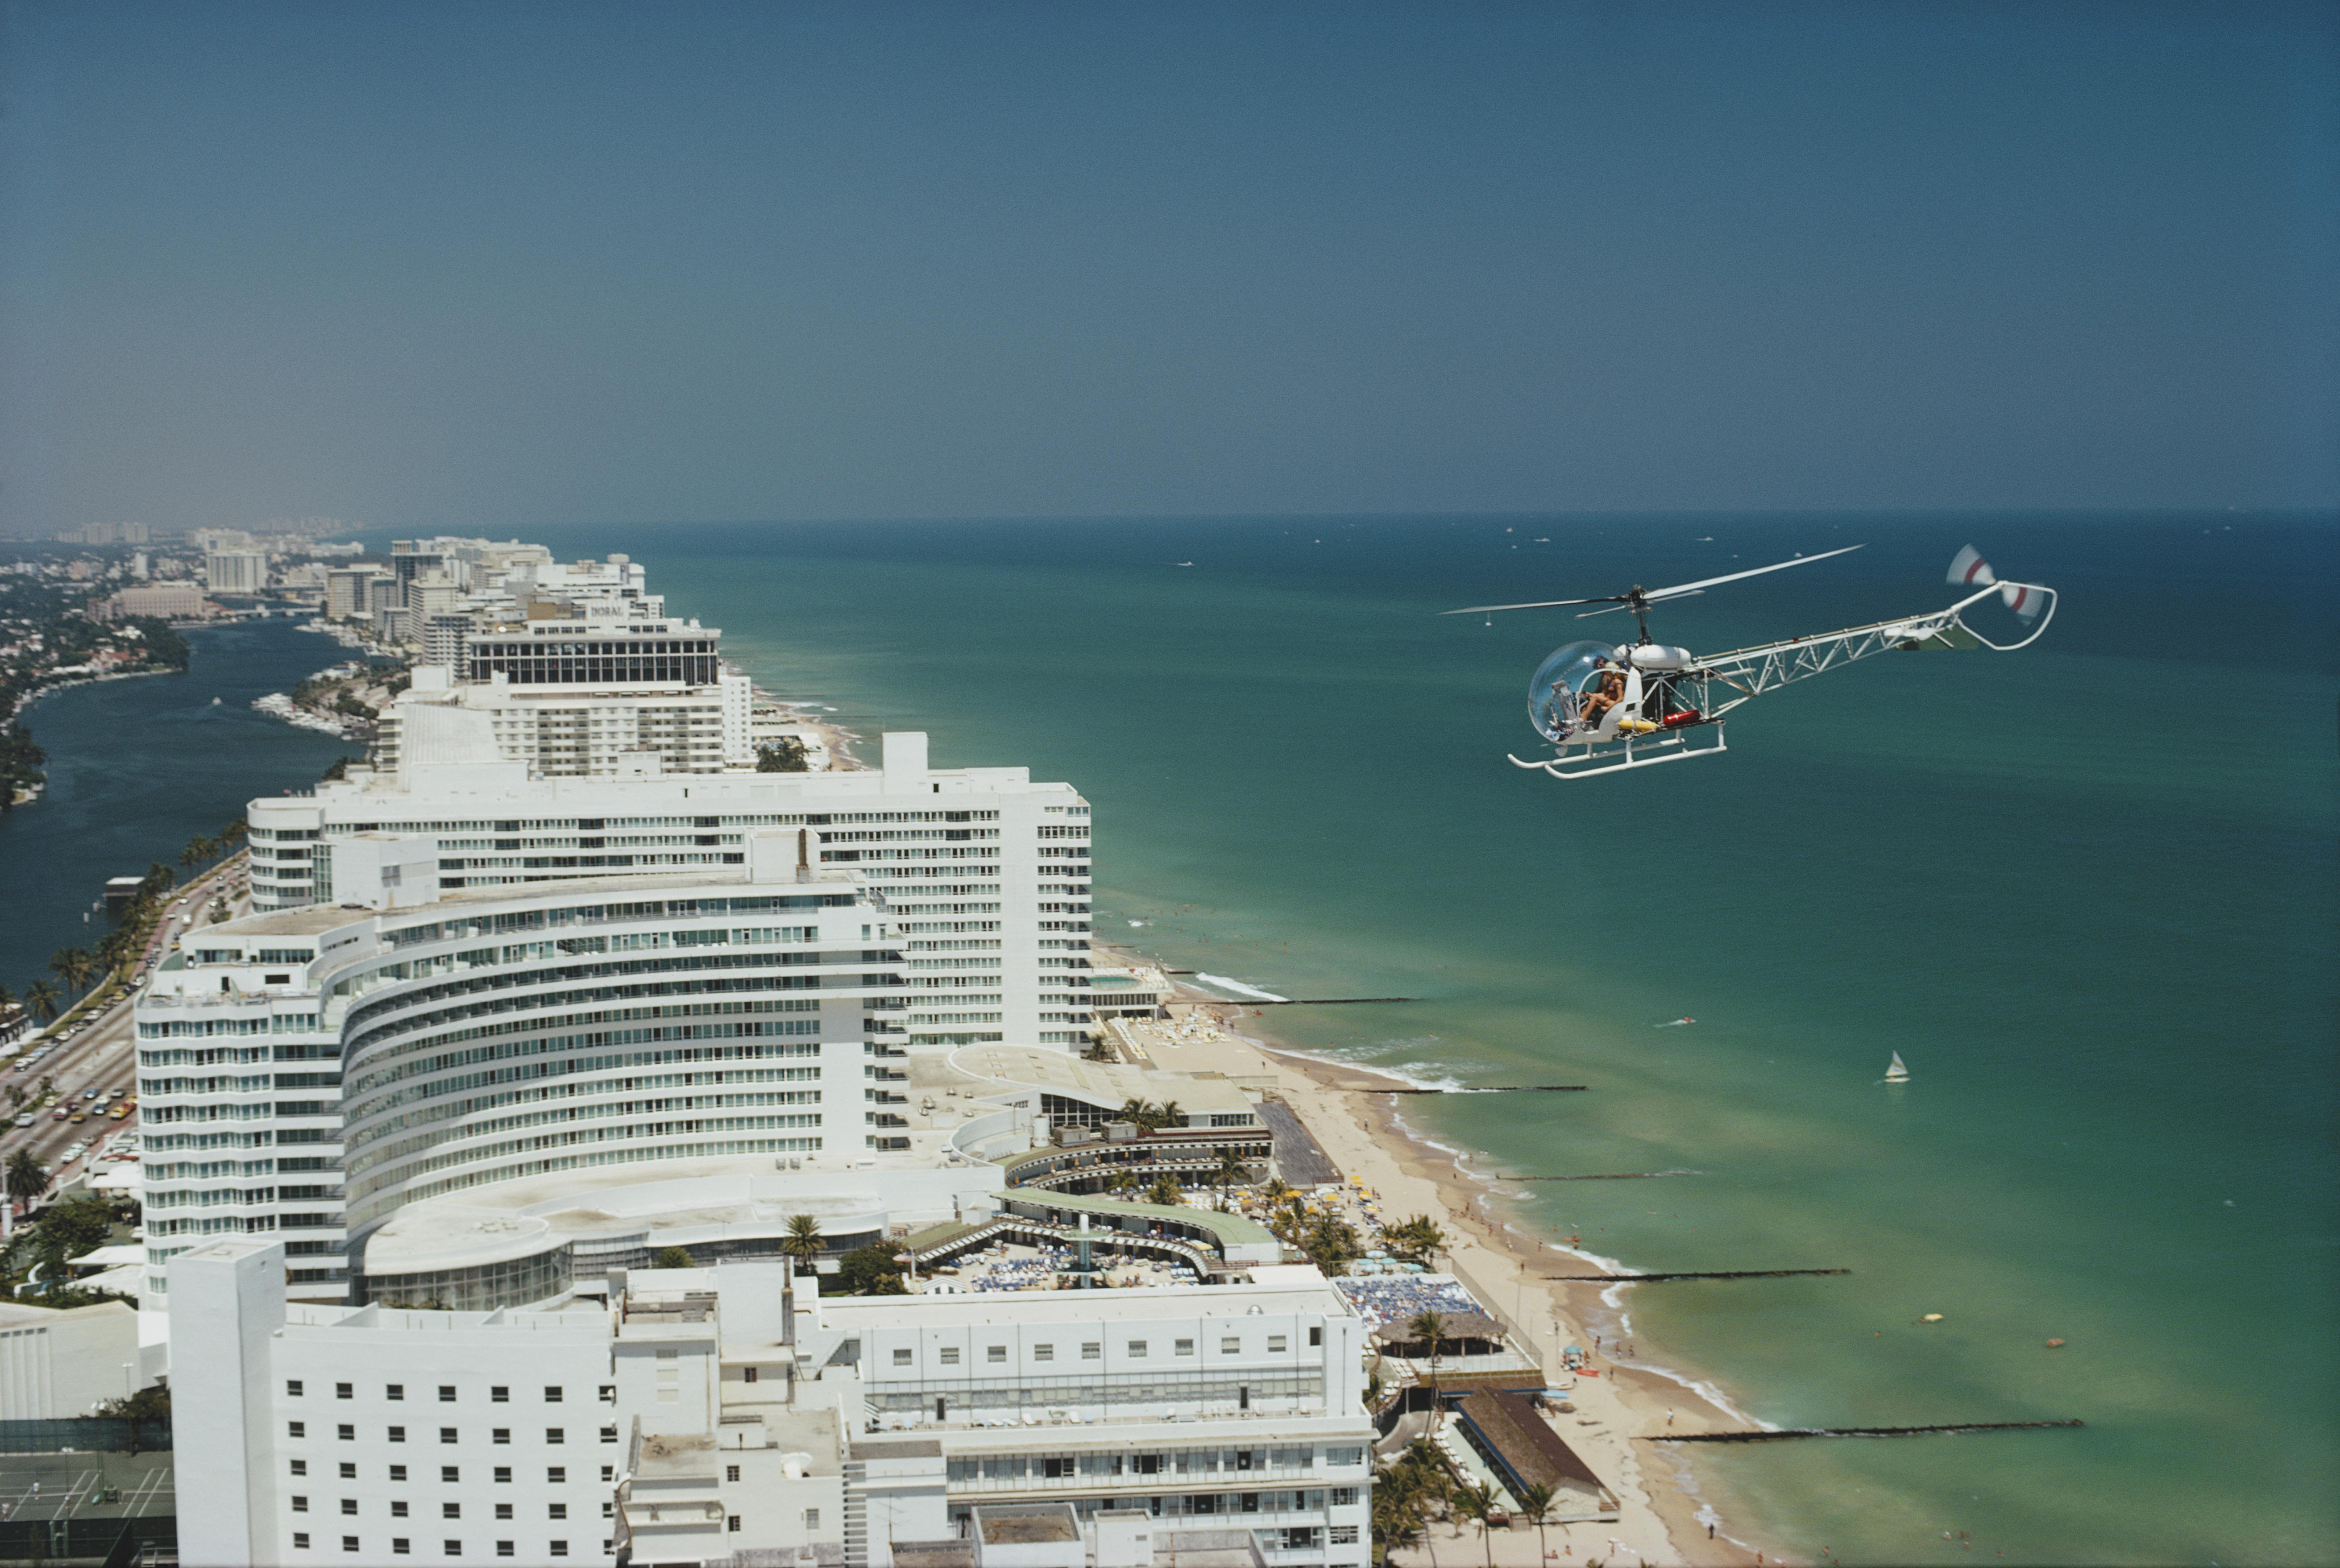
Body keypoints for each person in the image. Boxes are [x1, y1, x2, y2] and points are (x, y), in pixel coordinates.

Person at [1580, 663, 1627, 728]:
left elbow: (1621, 698)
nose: (1606, 672)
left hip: (1617, 704)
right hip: (1611, 701)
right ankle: (1581, 718)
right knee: (1592, 698)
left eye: (1607, 670)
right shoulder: (1611, 681)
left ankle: (1582, 720)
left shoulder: (1617, 682)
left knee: (1595, 697)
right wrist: (1589, 695)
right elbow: (1605, 695)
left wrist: (1608, 708)